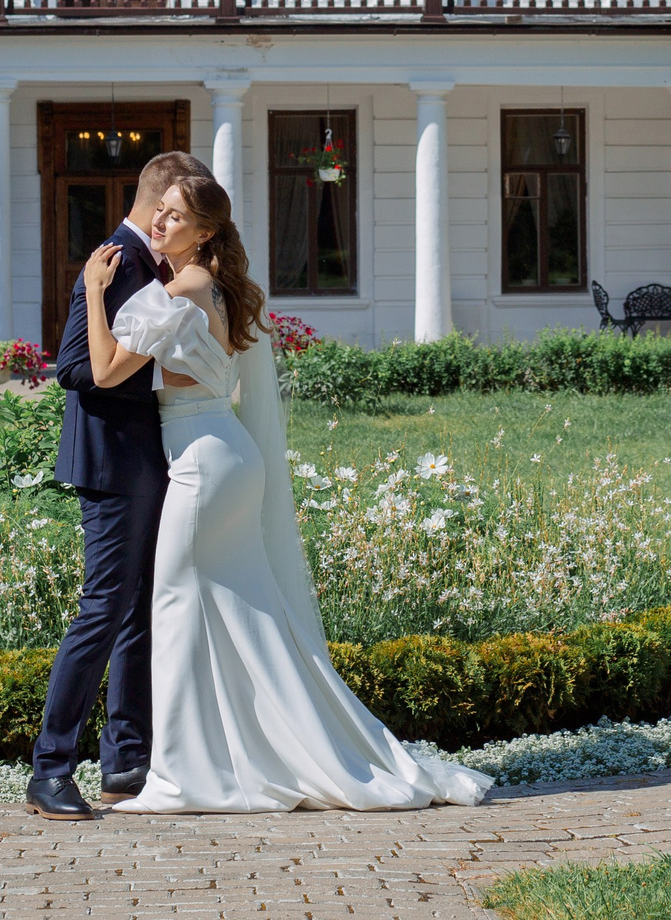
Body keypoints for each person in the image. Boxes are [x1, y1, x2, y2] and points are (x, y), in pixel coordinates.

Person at [77, 172, 490, 812]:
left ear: (205, 231)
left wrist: (95, 291)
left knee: (178, 609)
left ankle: (186, 774)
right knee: (246, 615)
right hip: (230, 452)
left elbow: (103, 370)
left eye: (175, 217)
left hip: (200, 464)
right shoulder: (223, 288)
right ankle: (254, 751)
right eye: (158, 212)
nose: (160, 224)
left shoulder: (179, 289)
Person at [25, 150, 216, 823]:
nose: (171, 220)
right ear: (160, 200)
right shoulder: (117, 259)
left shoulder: (160, 266)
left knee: (137, 610)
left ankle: (126, 757)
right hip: (112, 461)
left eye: (182, 217)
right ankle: (50, 768)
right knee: (104, 608)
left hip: (147, 460)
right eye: (171, 208)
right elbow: (76, 366)